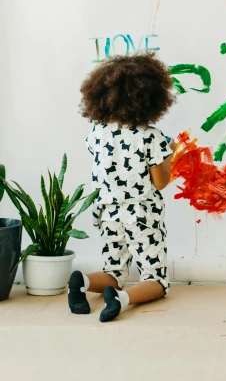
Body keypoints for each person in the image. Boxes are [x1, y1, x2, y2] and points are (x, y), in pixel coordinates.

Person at [68, 52, 175, 322]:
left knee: (114, 272)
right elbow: (160, 182)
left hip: (107, 211)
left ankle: (80, 282)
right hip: (142, 214)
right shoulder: (151, 137)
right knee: (156, 280)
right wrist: (170, 153)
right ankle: (121, 298)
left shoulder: (96, 131)